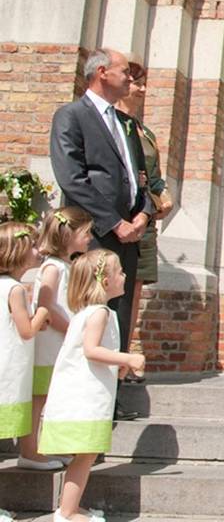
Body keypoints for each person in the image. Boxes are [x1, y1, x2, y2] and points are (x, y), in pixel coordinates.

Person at [49, 48, 153, 422]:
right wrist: (113, 222)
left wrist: (143, 213)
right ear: (102, 73)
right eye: (126, 72)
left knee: (118, 317)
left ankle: (109, 399)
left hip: (128, 235)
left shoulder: (126, 124)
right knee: (91, 317)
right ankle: (83, 406)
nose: (131, 79)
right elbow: (72, 177)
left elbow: (140, 177)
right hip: (95, 236)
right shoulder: (72, 116)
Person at [39, 249, 146, 522]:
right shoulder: (100, 313)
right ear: (105, 281)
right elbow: (91, 350)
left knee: (84, 458)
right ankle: (67, 512)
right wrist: (128, 357)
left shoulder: (87, 313)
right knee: (85, 458)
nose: (124, 276)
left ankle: (70, 508)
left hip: (83, 394)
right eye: (119, 272)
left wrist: (118, 368)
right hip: (86, 398)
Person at [21, 207, 94, 469]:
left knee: (52, 396)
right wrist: (73, 331)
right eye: (86, 233)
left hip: (61, 343)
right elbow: (47, 307)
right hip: (49, 344)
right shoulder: (53, 268)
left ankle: (47, 446)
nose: (90, 238)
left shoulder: (67, 265)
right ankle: (28, 451)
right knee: (39, 397)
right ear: (68, 234)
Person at [115, 58, 173, 359]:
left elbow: (154, 178)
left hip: (146, 223)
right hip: (119, 221)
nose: (143, 88)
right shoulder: (113, 125)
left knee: (135, 291)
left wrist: (164, 195)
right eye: (137, 83)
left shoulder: (145, 132)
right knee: (113, 291)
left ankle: (123, 356)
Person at [0, 224, 50, 467]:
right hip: (8, 370)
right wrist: (43, 310)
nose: (38, 249)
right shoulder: (15, 289)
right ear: (17, 251)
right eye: (32, 245)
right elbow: (26, 331)